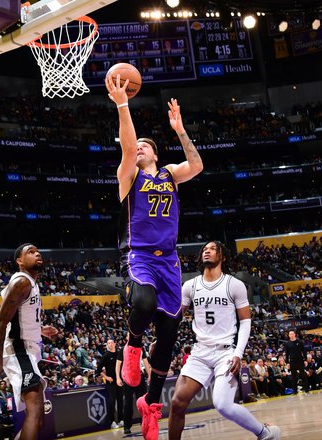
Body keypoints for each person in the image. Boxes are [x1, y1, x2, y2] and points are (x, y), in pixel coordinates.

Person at [106, 68, 204, 440]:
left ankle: (150, 403)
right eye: (137, 147)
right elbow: (128, 148)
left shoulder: (168, 174)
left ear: (157, 153)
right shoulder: (129, 176)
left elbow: (196, 166)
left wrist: (180, 130)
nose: (139, 149)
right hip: (140, 255)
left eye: (146, 146)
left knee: (167, 336)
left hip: (171, 261)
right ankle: (132, 346)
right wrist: (123, 106)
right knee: (143, 302)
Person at [168, 241, 280, 440]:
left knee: (223, 405)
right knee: (177, 403)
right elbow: (175, 318)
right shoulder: (190, 286)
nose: (207, 251)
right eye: (205, 249)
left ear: (223, 256)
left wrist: (238, 353)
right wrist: (160, 339)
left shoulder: (234, 285)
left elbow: (245, 322)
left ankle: (264, 433)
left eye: (212, 249)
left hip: (225, 352)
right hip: (200, 352)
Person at [0, 244, 59, 440]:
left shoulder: (31, 283)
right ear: (19, 261)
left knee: (39, 416)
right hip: (19, 350)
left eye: (37, 251)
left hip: (29, 350)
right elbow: (1, 323)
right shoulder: (21, 282)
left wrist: (41, 330)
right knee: (34, 408)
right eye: (30, 252)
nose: (37, 253)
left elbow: (18, 319)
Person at [116, 336, 150, 435]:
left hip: (139, 376)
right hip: (127, 379)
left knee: (143, 402)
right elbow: (118, 364)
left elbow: (145, 362)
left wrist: (149, 375)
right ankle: (127, 426)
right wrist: (118, 377)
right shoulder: (123, 349)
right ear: (127, 338)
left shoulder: (141, 348)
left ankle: (145, 422)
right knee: (128, 404)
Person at [95, 339, 123, 429]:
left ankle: (121, 420)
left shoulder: (119, 354)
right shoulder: (106, 355)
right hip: (110, 382)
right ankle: (113, 422)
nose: (110, 344)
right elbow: (98, 370)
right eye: (108, 343)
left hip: (119, 380)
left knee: (120, 400)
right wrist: (106, 377)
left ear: (115, 344)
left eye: (111, 343)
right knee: (111, 401)